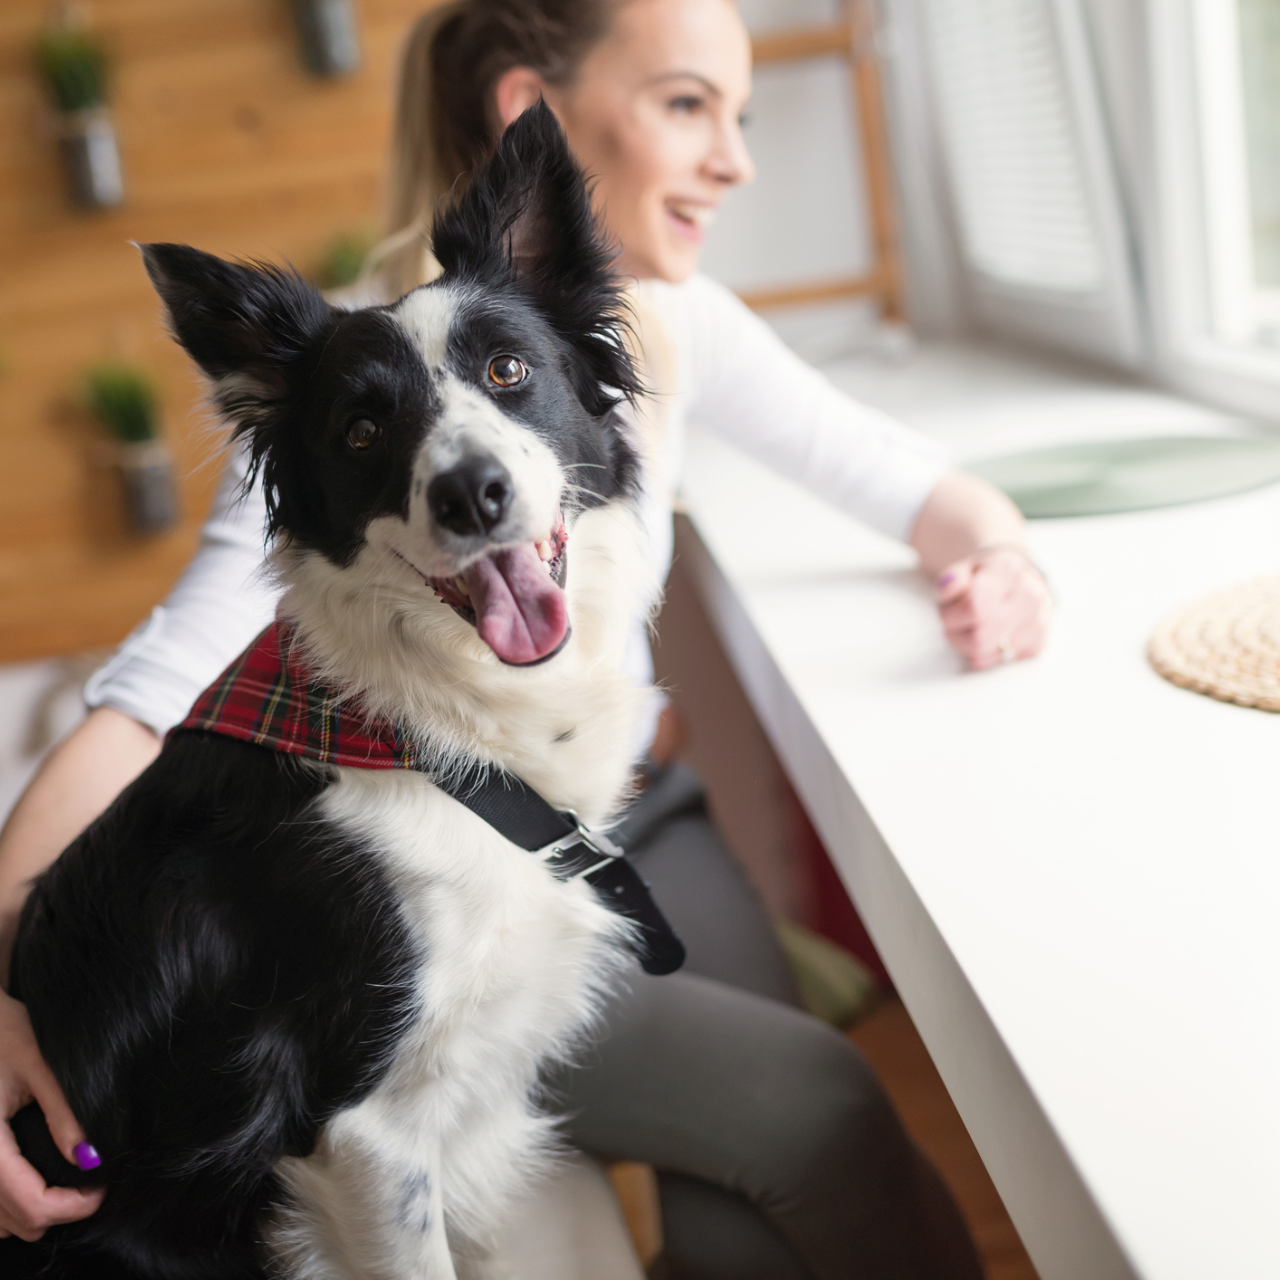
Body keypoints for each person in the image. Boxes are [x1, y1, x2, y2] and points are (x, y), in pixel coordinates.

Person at [0, 0, 1052, 1273]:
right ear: (530, 118)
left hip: (639, 817)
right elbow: (144, 704)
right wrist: (9, 952)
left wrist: (998, 558)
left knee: (750, 1202)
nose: (734, 157)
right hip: (478, 882)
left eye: (739, 113)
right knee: (813, 1114)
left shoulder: (651, 319)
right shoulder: (335, 387)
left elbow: (917, 483)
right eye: (684, 105)